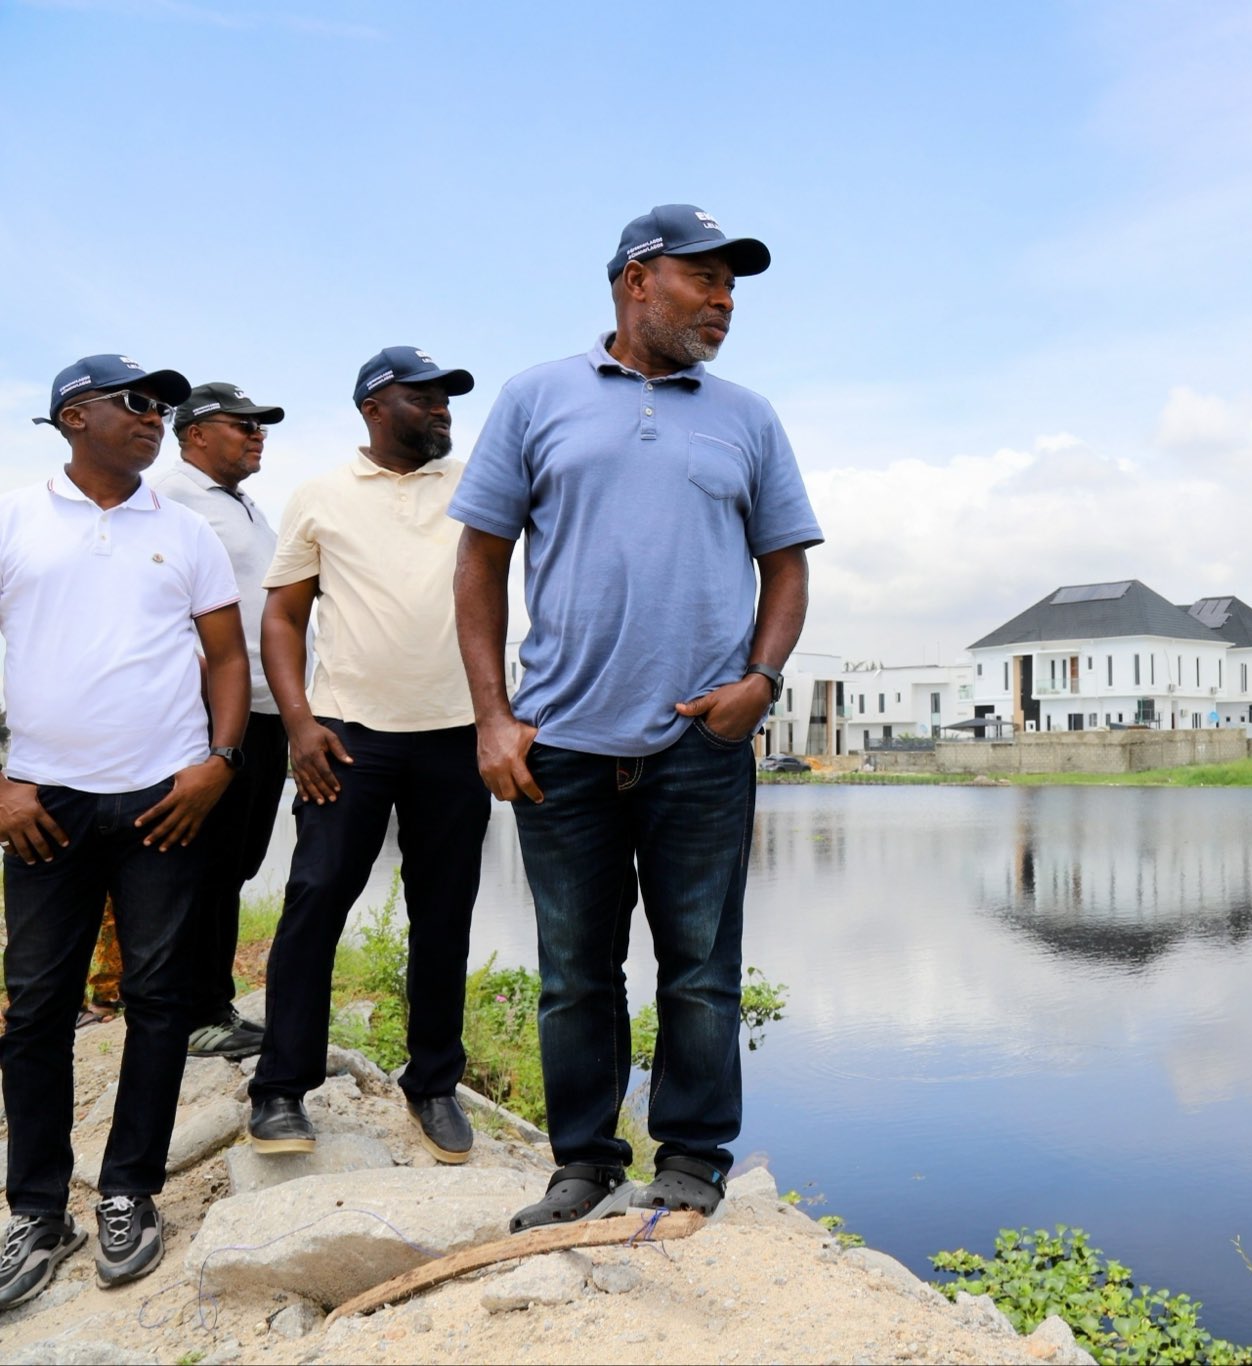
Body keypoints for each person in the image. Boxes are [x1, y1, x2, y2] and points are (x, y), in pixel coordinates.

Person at [452, 205, 821, 1232]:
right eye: (705, 279)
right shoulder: (535, 398)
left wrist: (761, 680)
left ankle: (693, 1159)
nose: (724, 302)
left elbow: (786, 565)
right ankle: (583, 1163)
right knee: (575, 973)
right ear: (635, 280)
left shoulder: (747, 417)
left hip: (701, 744)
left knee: (700, 970)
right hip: (560, 743)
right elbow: (479, 561)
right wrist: (492, 718)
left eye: (732, 286)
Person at [0, 355, 249, 1309]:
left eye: (165, 407)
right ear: (75, 416)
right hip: (44, 805)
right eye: (139, 403)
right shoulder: (17, 520)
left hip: (162, 799)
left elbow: (225, 657)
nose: (157, 418)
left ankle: (128, 1190)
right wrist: (3, 783)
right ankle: (36, 1208)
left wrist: (217, 761)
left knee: (157, 999)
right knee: (36, 1007)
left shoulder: (185, 531)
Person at [245, 348, 487, 1165]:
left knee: (444, 912)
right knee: (315, 900)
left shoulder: (477, 486)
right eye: (426, 397)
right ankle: (281, 1089)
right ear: (374, 408)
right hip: (347, 735)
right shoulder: (320, 495)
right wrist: (298, 723)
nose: (443, 409)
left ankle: (434, 1083)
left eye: (448, 398)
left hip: (458, 732)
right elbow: (283, 618)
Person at [158, 382, 290, 1059]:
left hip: (266, 709)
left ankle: (213, 1001)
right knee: (202, 863)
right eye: (243, 424)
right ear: (196, 434)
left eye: (260, 426)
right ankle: (190, 1013)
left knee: (234, 864)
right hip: (210, 712)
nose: (257, 434)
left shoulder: (243, 505)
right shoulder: (169, 498)